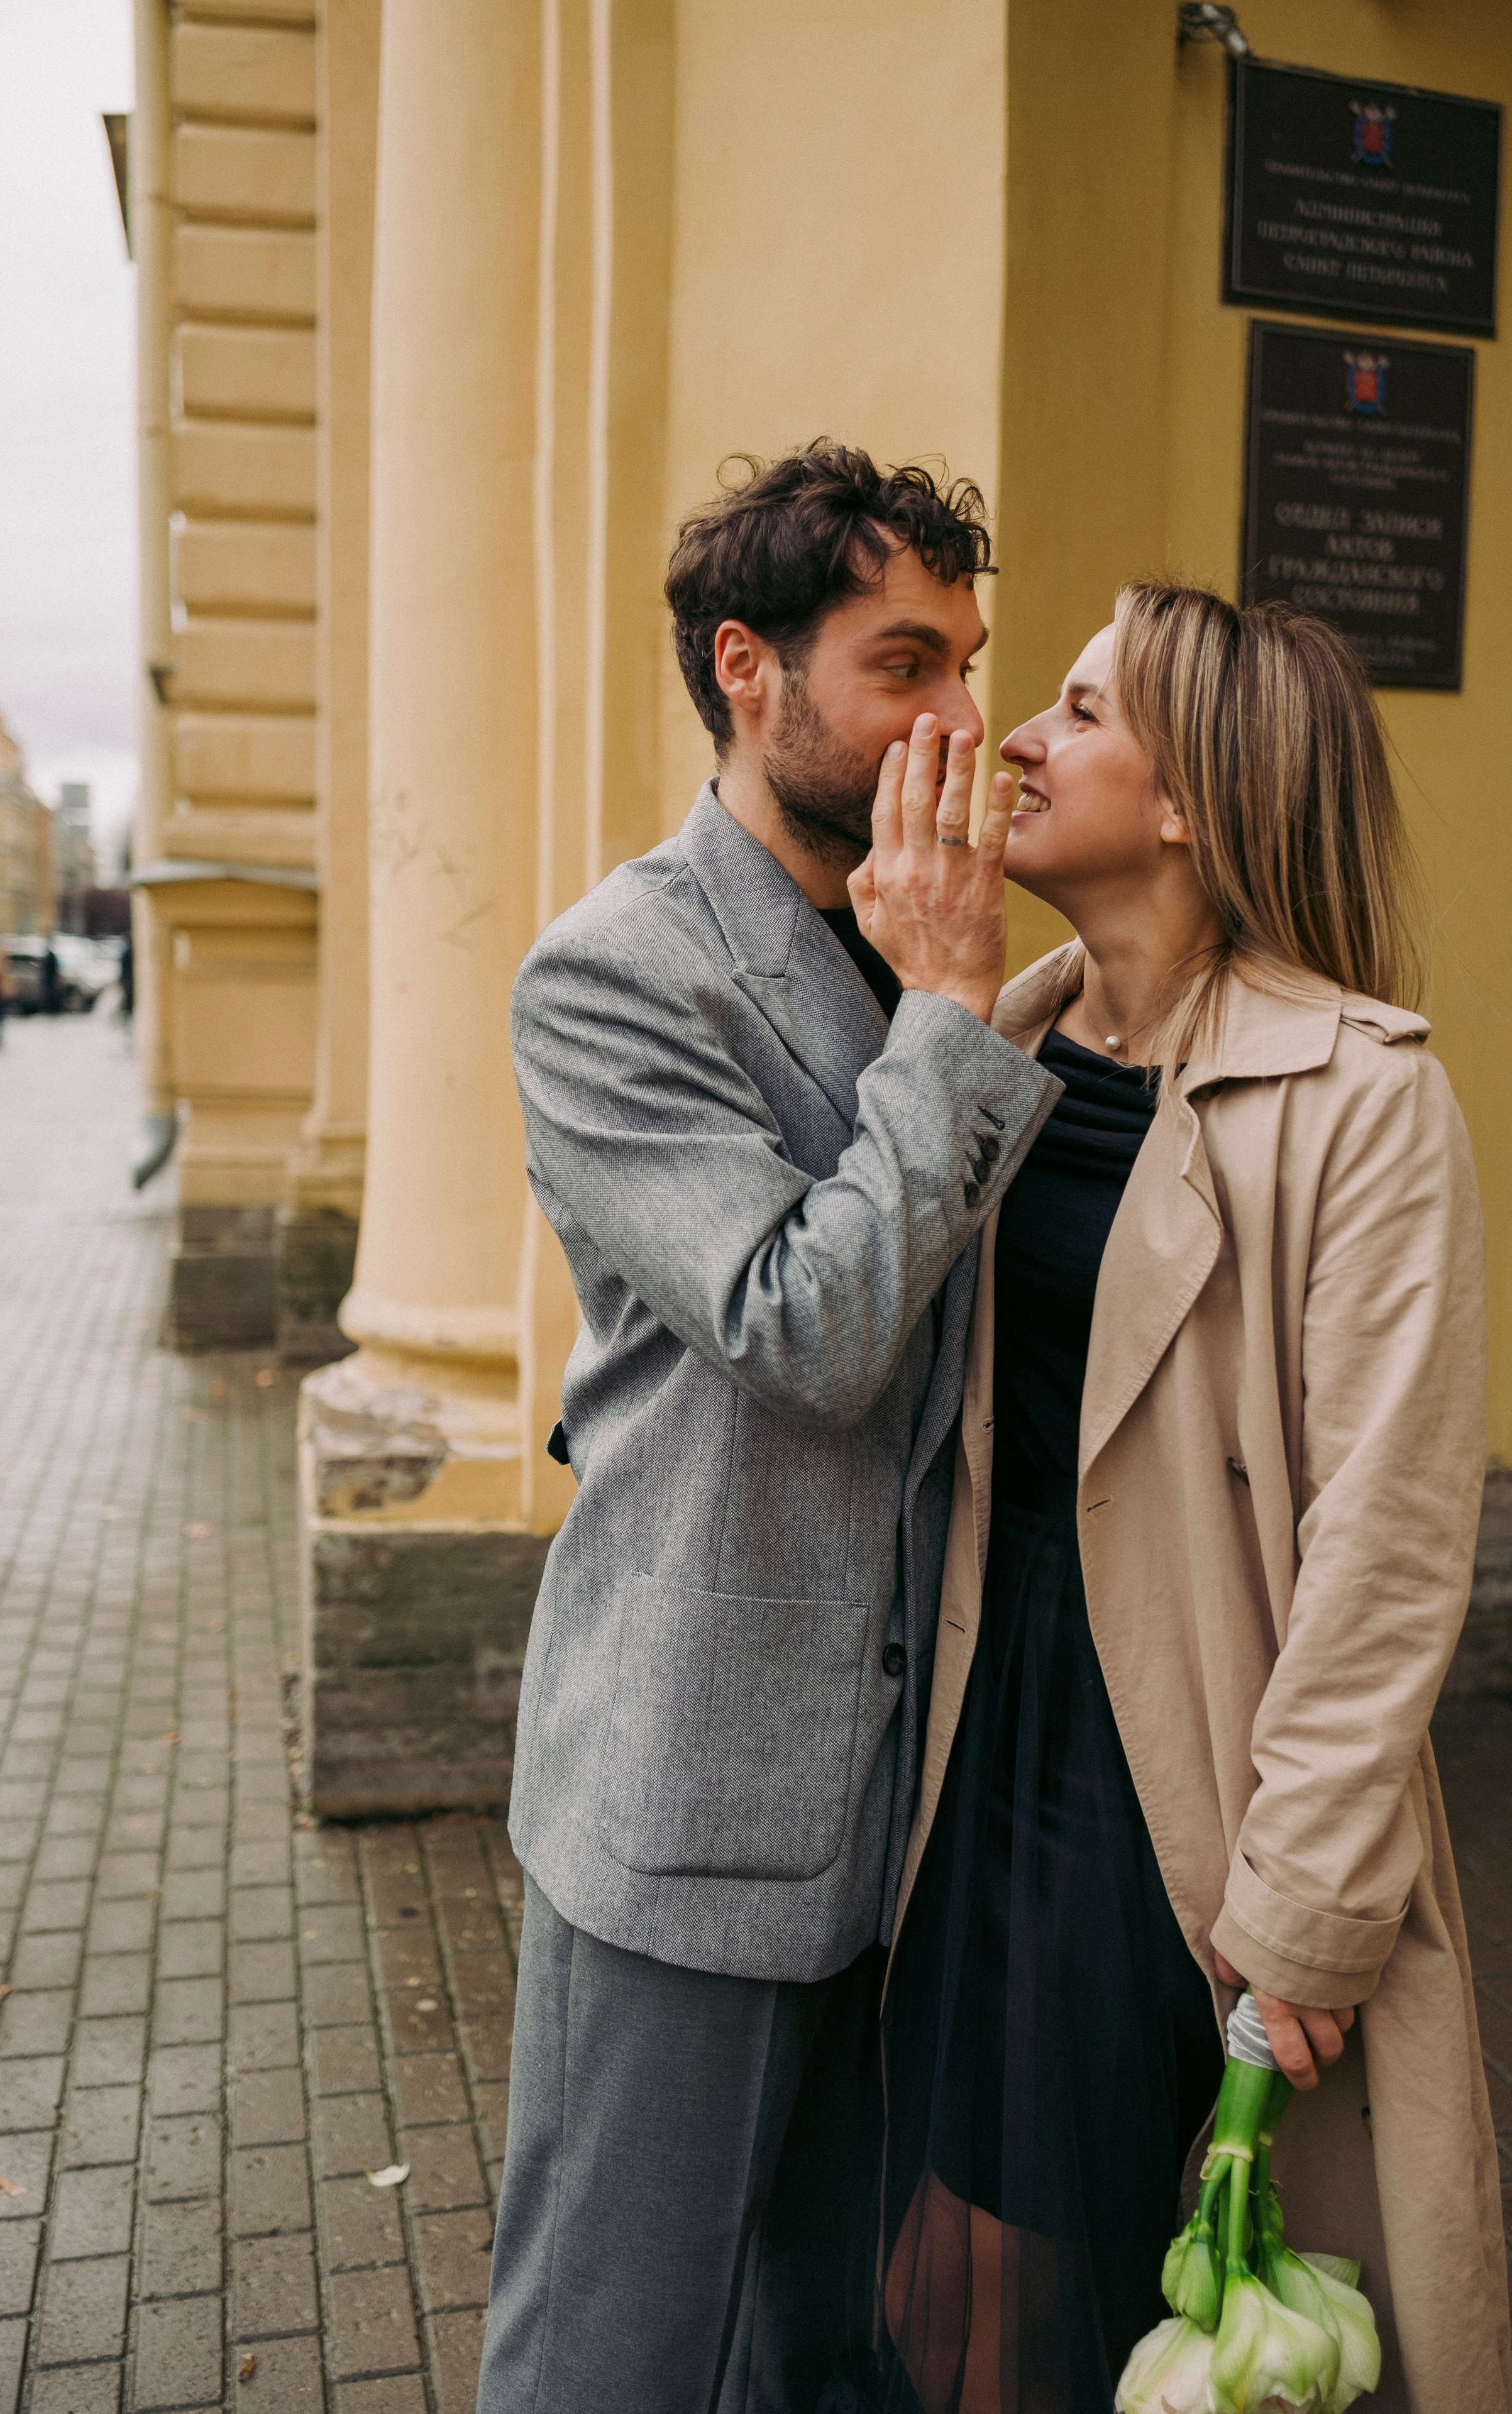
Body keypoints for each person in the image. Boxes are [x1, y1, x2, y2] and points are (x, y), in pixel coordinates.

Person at [877, 584, 1510, 2411]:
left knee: (1162, 2312)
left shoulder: (1361, 1099)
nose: (1014, 735)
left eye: (1075, 708)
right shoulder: (990, 1034)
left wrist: (1303, 1914)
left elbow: (1388, 1550)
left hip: (1198, 1796)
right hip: (987, 1755)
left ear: (1187, 804)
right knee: (964, 2279)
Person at [478, 443, 1062, 2414]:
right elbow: (799, 1326)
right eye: (906, 663)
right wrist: (953, 1013)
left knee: (818, 2350)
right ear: (749, 666)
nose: (961, 719)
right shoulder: (614, 971)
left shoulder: (903, 931)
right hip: (687, 1803)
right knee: (613, 2356)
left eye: (972, 662)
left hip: (892, 1808)